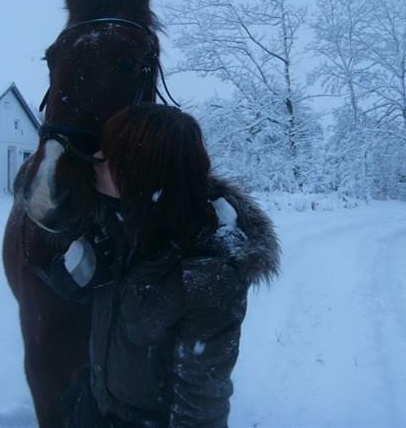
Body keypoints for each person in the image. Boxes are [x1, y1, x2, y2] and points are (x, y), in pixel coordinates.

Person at [43, 104, 280, 428]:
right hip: (97, 407)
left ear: (142, 170)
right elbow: (77, 288)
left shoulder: (206, 273)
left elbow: (200, 406)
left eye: (109, 154)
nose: (95, 158)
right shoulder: (119, 222)